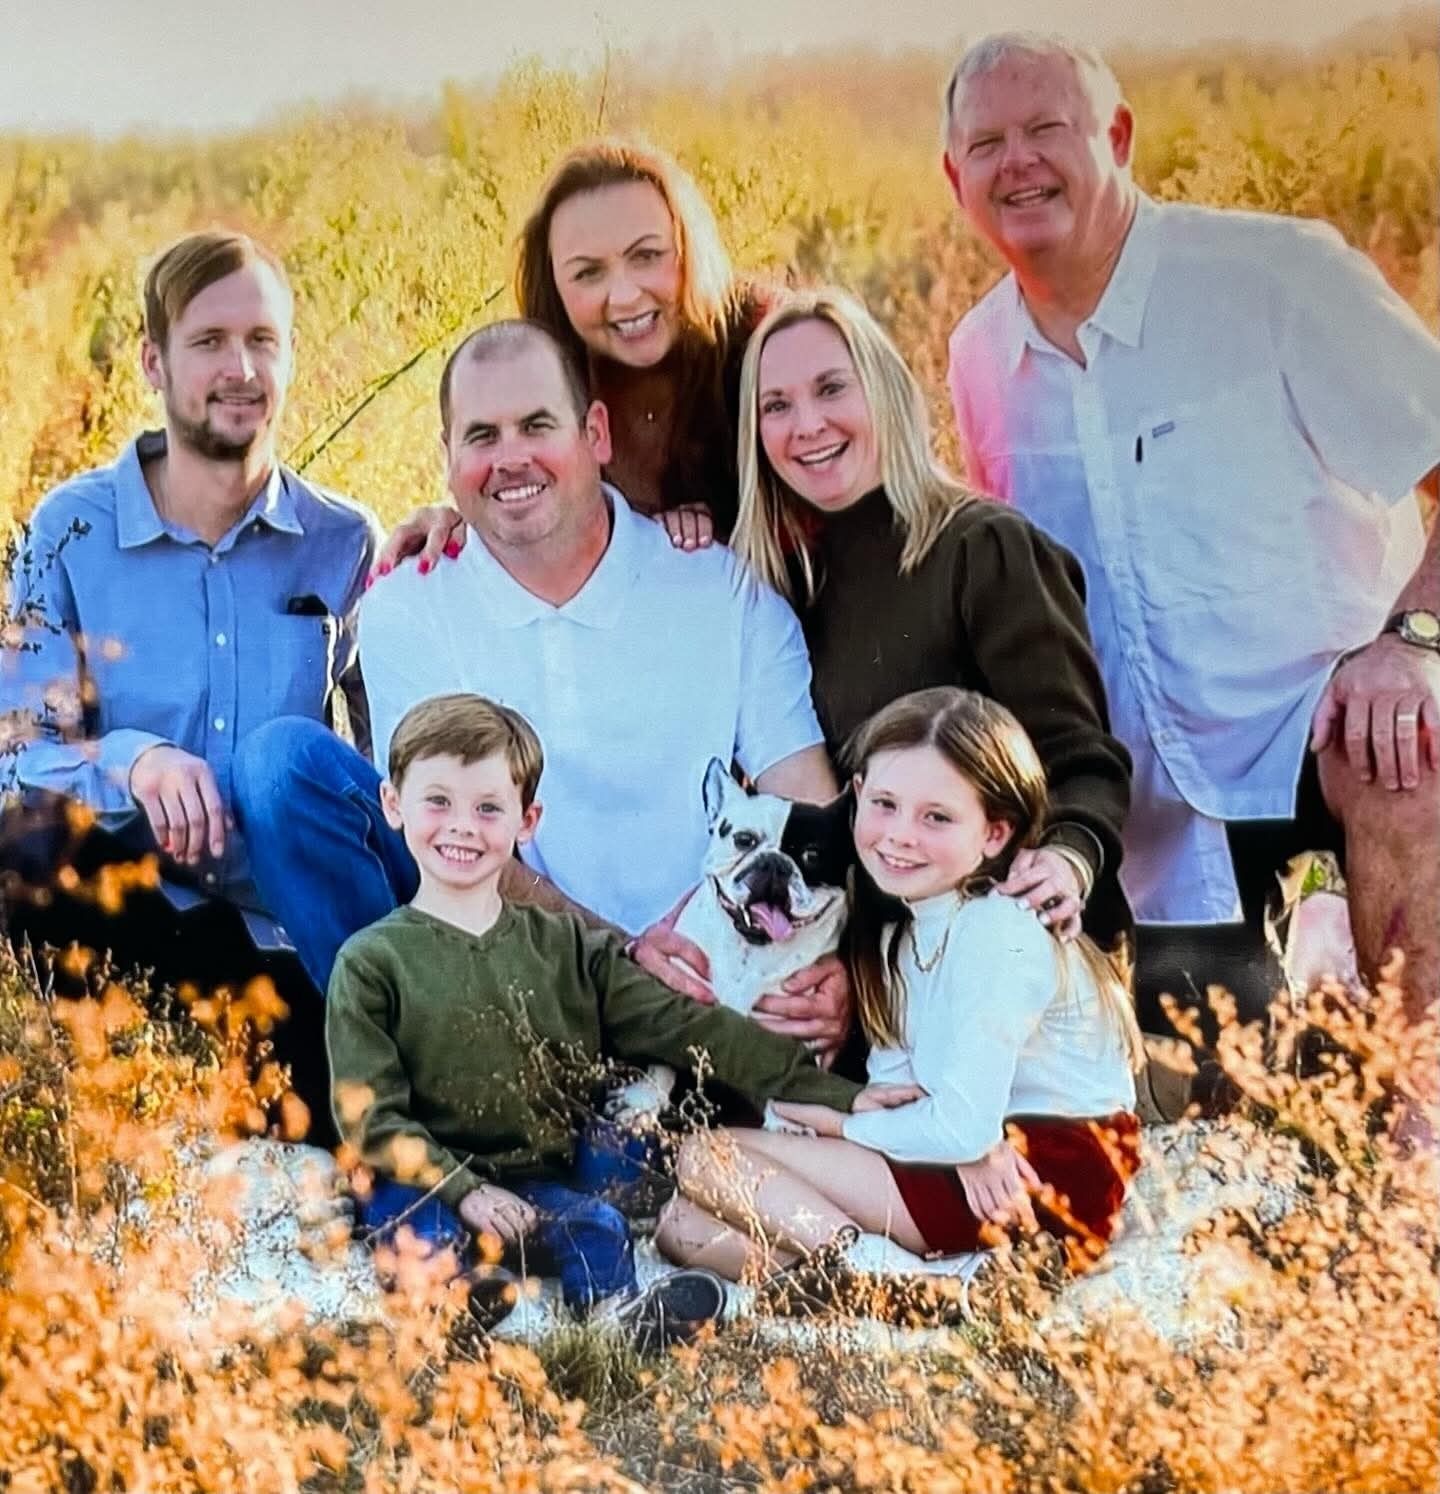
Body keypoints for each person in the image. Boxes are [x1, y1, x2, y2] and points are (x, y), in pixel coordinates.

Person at [940, 32, 1440, 1028]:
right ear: (955, 178)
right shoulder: (979, 357)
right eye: (987, 144)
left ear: (1119, 137)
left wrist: (1413, 643)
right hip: (1153, 818)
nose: (1018, 162)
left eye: (1047, 129)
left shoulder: (1274, 278)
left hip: (1317, 726)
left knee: (1410, 751)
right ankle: (1309, 991)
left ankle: (1420, 1096)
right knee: (1215, 1087)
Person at [233, 318, 851, 1056]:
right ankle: (403, 1083)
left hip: (707, 980)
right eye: (482, 436)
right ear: (447, 457)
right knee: (281, 766)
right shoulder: (408, 604)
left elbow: (811, 808)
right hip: (513, 978)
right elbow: (451, 843)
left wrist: (833, 963)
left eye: (536, 426)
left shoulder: (722, 592)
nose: (510, 459)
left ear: (596, 433)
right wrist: (621, 961)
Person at [329, 691, 866, 1342]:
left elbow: (692, 1027)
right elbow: (370, 1116)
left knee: (599, 1226)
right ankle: (459, 1306)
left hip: (535, 1183)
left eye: (489, 808)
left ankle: (619, 1320)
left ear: (528, 821)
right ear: (393, 805)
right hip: (427, 1179)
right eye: (437, 801)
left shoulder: (569, 948)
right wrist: (464, 1189)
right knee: (416, 1226)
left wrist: (847, 1099)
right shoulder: (372, 962)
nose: (463, 826)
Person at [0, 230, 379, 1138]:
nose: (240, 369)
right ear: (153, 362)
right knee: (19, 848)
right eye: (209, 342)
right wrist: (133, 761)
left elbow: (387, 770)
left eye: (262, 341)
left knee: (337, 1136)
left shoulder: (346, 544)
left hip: (276, 938)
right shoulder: (71, 530)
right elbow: (18, 756)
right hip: (124, 915)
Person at [656, 687, 1145, 1291]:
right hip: (965, 1158)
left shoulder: (1000, 928)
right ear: (857, 795)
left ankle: (882, 1272)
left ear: (994, 834)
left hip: (1042, 1168)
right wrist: (897, 1128)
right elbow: (901, 1092)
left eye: (937, 817)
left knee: (706, 1155)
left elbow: (962, 1129)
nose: (900, 835)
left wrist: (840, 1126)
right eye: (886, 804)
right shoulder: (901, 934)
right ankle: (909, 1287)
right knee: (681, 1227)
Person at [730, 285, 1132, 953]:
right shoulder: (783, 589)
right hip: (886, 968)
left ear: (884, 392)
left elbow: (1081, 759)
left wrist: (1068, 857)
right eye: (777, 405)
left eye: (832, 389)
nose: (807, 424)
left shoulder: (982, 548)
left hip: (1018, 947)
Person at [372, 138, 770, 571]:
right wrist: (461, 523)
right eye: (588, 273)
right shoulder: (544, 382)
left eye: (647, 256)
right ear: (554, 287)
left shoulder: (768, 348)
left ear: (688, 250)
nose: (624, 296)